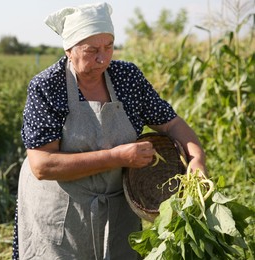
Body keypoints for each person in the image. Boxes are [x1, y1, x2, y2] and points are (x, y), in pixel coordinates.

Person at [13, 2, 206, 259]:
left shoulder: (126, 77)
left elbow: (170, 123)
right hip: (61, 211)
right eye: (92, 50)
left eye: (109, 47)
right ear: (69, 49)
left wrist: (197, 159)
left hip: (116, 208)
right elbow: (42, 165)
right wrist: (117, 157)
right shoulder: (48, 86)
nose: (103, 59)